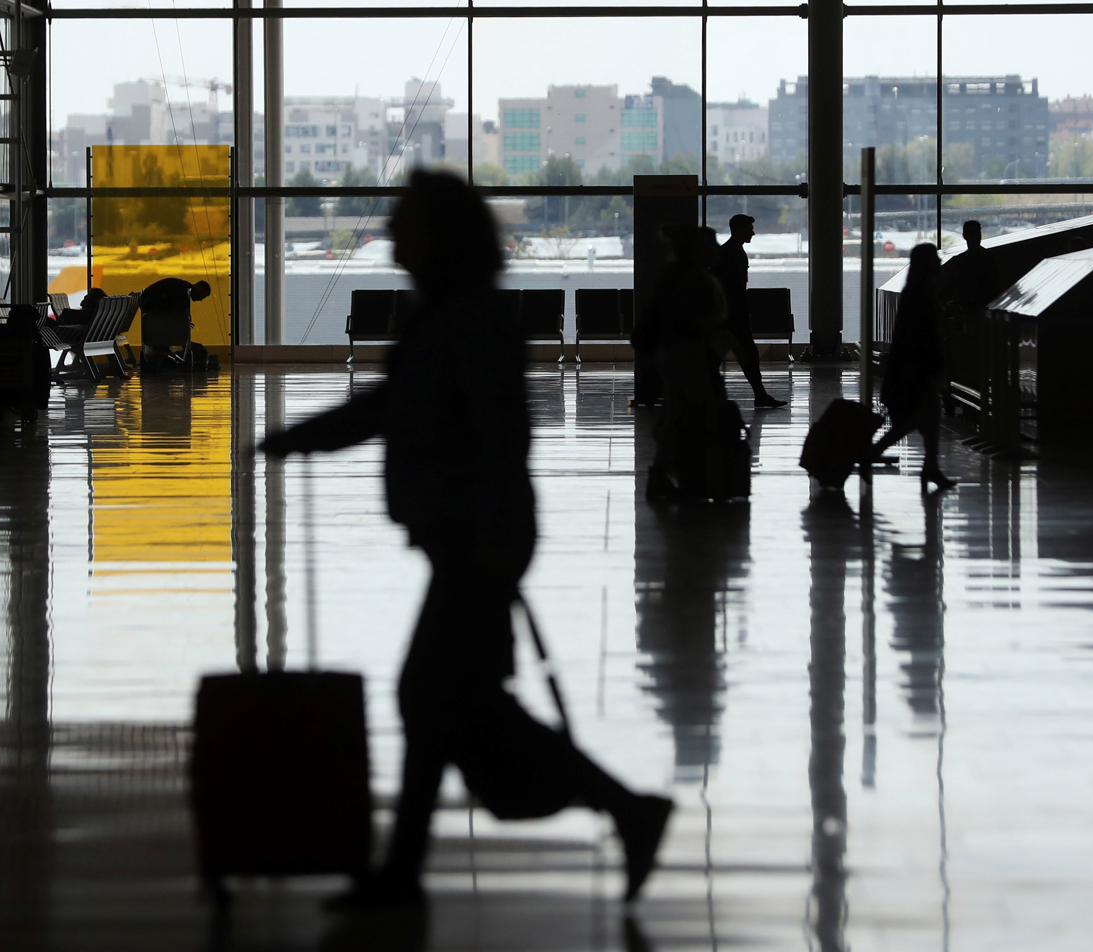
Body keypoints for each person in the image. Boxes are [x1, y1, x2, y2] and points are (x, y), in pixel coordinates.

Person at [258, 170, 673, 909]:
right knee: (448, 702)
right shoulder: (447, 311)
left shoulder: (468, 317)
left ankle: (620, 810)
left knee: (437, 697)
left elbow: (499, 436)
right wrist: (300, 440)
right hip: (465, 536)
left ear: (439, 235)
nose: (391, 231)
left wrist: (490, 539)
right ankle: (410, 870)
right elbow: (393, 406)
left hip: (477, 538)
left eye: (404, 220)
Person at [637, 224, 731, 501]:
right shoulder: (689, 278)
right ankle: (704, 475)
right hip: (684, 352)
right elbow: (687, 318)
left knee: (677, 412)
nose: (715, 249)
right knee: (706, 409)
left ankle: (668, 474)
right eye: (711, 244)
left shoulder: (680, 274)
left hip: (675, 352)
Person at [868, 243, 955, 491]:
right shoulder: (923, 294)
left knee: (925, 421)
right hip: (918, 369)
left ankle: (930, 468)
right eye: (935, 258)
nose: (939, 262)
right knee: (918, 420)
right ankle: (876, 454)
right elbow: (926, 337)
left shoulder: (915, 291)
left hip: (913, 368)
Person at [711, 214, 785, 408]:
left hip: (730, 315)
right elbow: (732, 288)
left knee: (725, 356)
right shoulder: (732, 253)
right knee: (746, 354)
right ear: (739, 230)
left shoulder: (729, 251)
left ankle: (759, 395)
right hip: (733, 315)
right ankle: (759, 395)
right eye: (749, 228)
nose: (753, 232)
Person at [138, 278, 213, 369]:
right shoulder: (182, 293)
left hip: (151, 309)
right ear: (200, 289)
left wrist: (183, 322)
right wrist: (182, 323)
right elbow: (173, 312)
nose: (200, 299)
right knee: (201, 350)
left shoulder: (180, 288)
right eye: (203, 296)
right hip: (157, 317)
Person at [941, 219, 1003, 314]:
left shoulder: (961, 260)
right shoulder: (989, 257)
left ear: (964, 236)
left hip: (967, 307)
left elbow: (952, 283)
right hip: (986, 307)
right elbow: (996, 284)